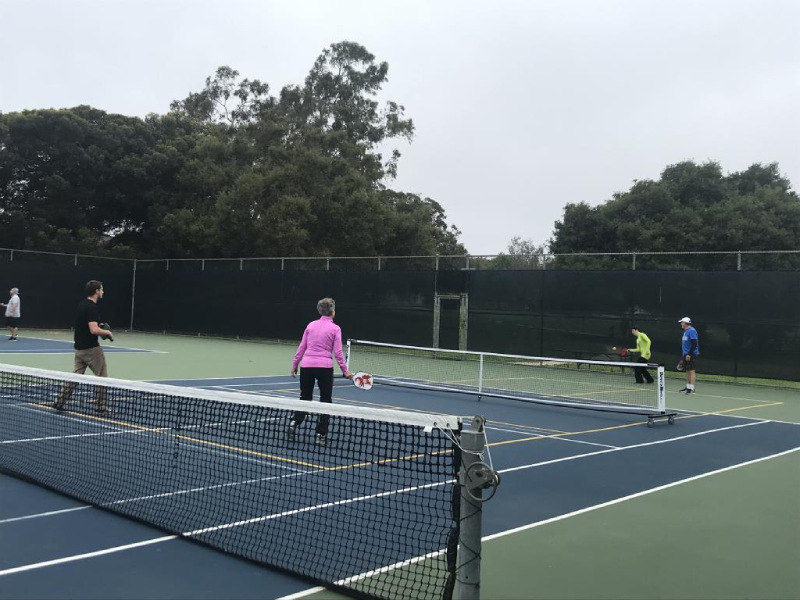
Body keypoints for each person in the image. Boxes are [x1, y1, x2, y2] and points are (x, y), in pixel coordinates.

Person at [288, 297, 352, 446]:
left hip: (307, 366)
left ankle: (293, 423)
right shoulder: (335, 328)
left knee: (305, 397)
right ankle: (320, 434)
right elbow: (338, 353)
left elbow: (301, 348)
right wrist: (346, 371)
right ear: (333, 312)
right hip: (324, 368)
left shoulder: (310, 325)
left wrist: (294, 365)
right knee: (325, 401)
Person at [54, 280, 114, 414]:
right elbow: (93, 330)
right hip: (91, 349)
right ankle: (101, 406)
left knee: (75, 377)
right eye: (102, 289)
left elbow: (87, 326)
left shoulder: (82, 305)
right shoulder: (92, 307)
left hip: (79, 348)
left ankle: (59, 401)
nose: (103, 292)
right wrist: (106, 332)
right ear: (97, 291)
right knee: (102, 377)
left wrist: (99, 328)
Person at [678, 316, 700, 394]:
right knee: (687, 370)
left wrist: (689, 354)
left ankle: (691, 388)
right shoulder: (685, 331)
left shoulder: (692, 331)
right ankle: (688, 387)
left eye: (682, 322)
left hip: (691, 354)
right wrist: (684, 355)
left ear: (685, 323)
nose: (681, 323)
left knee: (691, 371)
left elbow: (694, 343)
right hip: (685, 354)